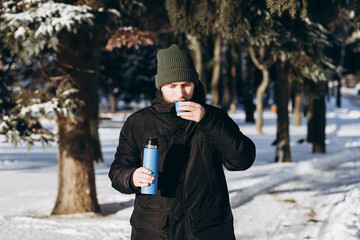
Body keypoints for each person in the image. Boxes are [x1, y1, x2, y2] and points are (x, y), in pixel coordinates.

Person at [109, 44, 256, 240]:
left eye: (186, 84)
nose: (180, 93)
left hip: (207, 229)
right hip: (154, 229)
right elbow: (118, 171)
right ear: (160, 86)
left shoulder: (215, 118)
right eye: (172, 86)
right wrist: (131, 176)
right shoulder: (139, 122)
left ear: (195, 83)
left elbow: (242, 160)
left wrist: (208, 120)